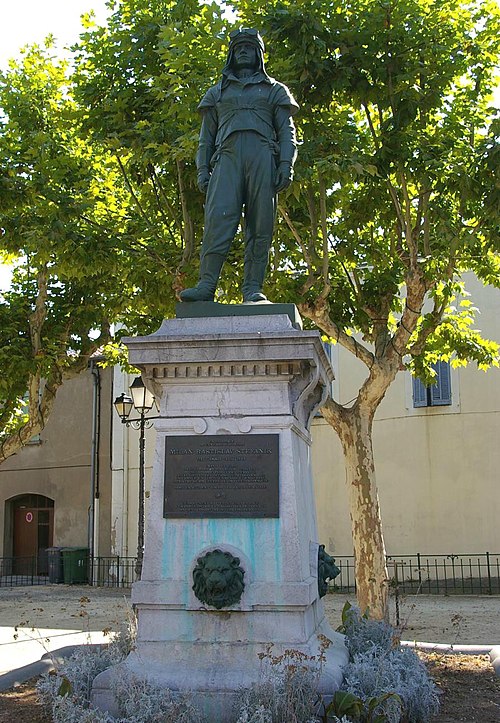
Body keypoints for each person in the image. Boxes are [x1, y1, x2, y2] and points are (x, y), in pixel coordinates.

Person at [179, 27, 299, 304]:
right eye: (238, 48)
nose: (243, 51)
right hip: (226, 159)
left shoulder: (274, 90)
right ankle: (206, 285)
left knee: (261, 224)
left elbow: (287, 133)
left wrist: (285, 165)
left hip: (262, 159)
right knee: (218, 222)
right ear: (231, 55)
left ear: (259, 54)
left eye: (249, 47)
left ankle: (253, 289)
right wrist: (201, 169)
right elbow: (205, 138)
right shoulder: (218, 92)